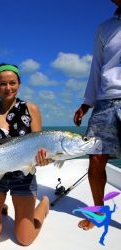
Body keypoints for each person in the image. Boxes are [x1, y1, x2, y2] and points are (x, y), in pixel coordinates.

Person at [0, 63, 50, 246]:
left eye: (12, 83)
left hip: (23, 176)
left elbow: (39, 144)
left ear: (19, 84)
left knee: (24, 239)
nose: (8, 88)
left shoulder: (31, 109)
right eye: (2, 84)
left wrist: (44, 159)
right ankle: (1, 205)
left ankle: (43, 204)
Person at [73, 0, 121, 231]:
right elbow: (97, 67)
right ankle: (99, 212)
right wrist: (86, 103)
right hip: (105, 101)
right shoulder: (104, 28)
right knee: (96, 158)